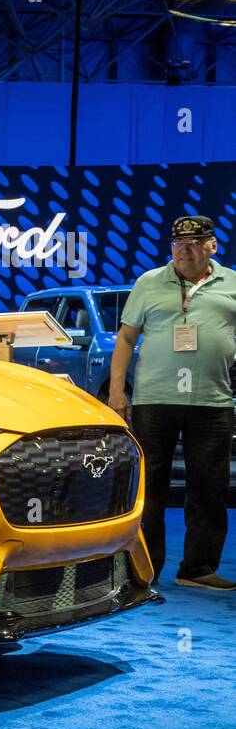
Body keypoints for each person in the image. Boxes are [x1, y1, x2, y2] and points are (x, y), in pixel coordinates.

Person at [108, 215, 236, 590]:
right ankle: (145, 570)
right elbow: (126, 339)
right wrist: (118, 392)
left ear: (212, 245)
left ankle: (198, 570)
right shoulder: (149, 282)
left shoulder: (232, 283)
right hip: (154, 399)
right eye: (178, 244)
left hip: (212, 400)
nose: (185, 249)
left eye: (195, 243)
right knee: (150, 490)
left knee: (210, 489)